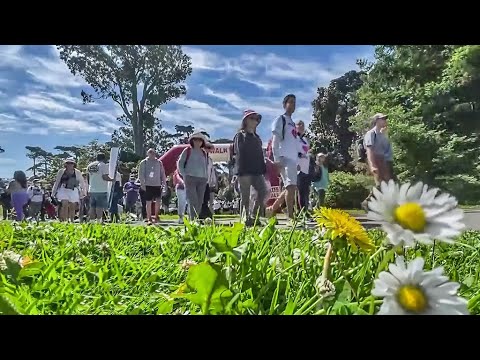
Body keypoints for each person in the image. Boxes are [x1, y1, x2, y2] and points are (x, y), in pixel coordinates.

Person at [268, 94, 301, 224]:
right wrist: (277, 159)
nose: (293, 105)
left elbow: (293, 144)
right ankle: (291, 217)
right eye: (290, 102)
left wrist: (297, 162)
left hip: (292, 159)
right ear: (284, 104)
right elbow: (275, 140)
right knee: (290, 186)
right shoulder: (280, 120)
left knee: (290, 187)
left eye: (294, 102)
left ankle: (272, 209)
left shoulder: (292, 123)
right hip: (283, 158)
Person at [232, 109, 267, 226]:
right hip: (244, 171)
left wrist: (263, 169)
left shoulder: (257, 138)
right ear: (246, 120)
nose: (255, 121)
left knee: (263, 191)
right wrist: (238, 172)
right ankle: (245, 218)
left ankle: (254, 215)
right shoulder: (240, 135)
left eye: (256, 119)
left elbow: (261, 155)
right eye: (252, 118)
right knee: (245, 196)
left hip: (257, 171)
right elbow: (238, 153)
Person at [361, 113, 393, 210]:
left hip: (385, 162)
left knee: (388, 185)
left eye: (385, 119)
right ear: (377, 121)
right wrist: (372, 165)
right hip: (376, 160)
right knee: (380, 184)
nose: (385, 120)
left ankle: (380, 207)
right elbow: (369, 150)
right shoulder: (371, 134)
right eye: (383, 119)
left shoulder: (383, 134)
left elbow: (387, 150)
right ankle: (367, 202)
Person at [177, 132, 208, 221]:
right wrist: (184, 174)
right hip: (190, 178)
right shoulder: (187, 150)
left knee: (200, 201)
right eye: (195, 140)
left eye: (200, 140)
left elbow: (205, 165)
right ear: (192, 141)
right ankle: (193, 220)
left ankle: (195, 218)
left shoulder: (204, 152)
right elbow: (180, 163)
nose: (197, 142)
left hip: (202, 179)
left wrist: (206, 177)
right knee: (193, 200)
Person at [138, 148, 166, 225]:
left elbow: (162, 173)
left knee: (158, 201)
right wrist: (142, 184)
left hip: (157, 184)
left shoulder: (159, 162)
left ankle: (156, 216)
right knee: (148, 202)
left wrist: (164, 184)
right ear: (148, 153)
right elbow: (141, 174)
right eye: (150, 152)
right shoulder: (144, 162)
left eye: (153, 152)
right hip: (148, 185)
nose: (152, 154)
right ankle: (149, 217)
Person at [87, 153, 114, 223]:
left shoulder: (90, 165)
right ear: (104, 158)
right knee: (99, 206)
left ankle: (92, 220)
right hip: (101, 189)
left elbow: (88, 177)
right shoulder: (103, 165)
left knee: (92, 206)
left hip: (92, 188)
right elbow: (104, 177)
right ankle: (99, 220)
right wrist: (112, 180)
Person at [296, 120, 311, 215]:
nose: (301, 126)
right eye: (299, 124)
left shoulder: (305, 140)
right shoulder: (294, 138)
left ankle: (306, 210)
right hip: (298, 168)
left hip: (306, 168)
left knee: (306, 191)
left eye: (303, 124)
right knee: (300, 191)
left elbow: (307, 152)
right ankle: (300, 211)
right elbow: (294, 151)